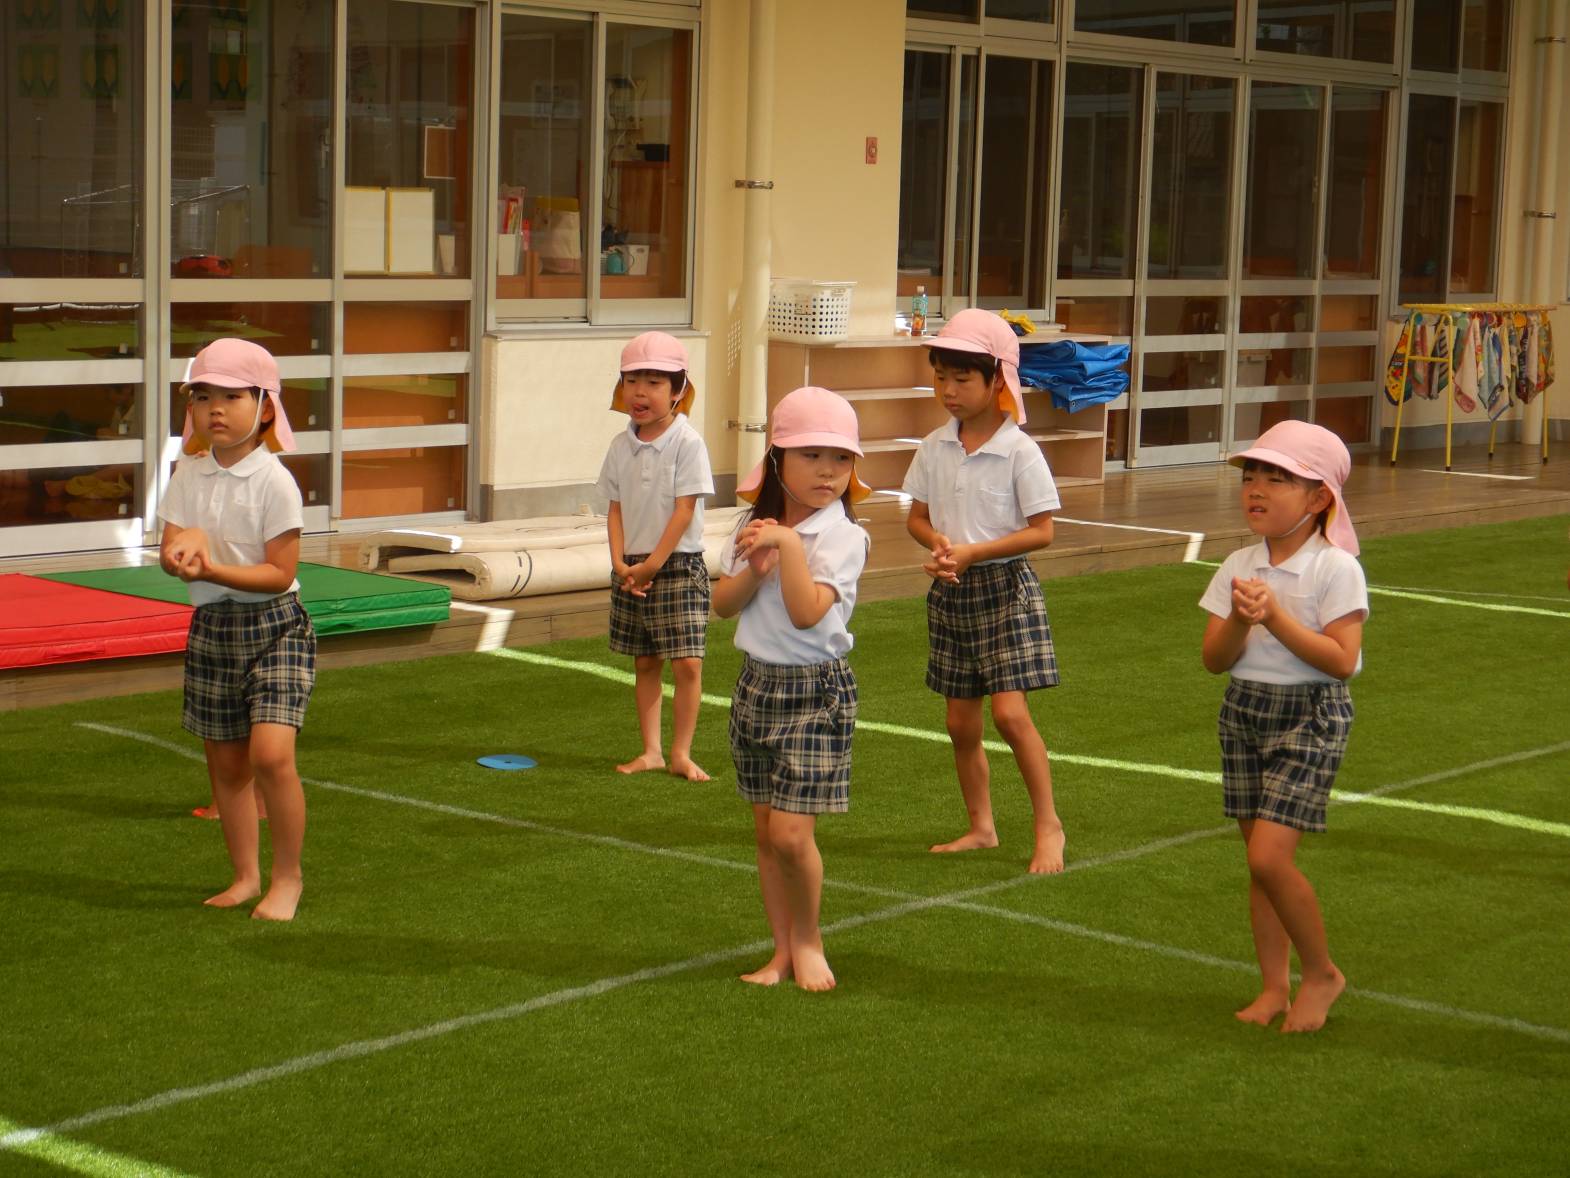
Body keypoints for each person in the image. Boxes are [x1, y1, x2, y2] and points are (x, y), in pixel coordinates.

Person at [1200, 420, 1368, 1033]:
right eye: (1251, 476)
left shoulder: (1336, 568)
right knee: (1258, 861)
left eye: (1277, 478)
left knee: (1270, 857)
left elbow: (1342, 661)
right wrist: (1243, 620)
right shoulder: (1238, 563)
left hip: (1310, 716)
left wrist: (1273, 618)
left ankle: (1321, 973)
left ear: (1320, 497)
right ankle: (1274, 986)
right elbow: (1214, 659)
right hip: (1244, 711)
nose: (1256, 489)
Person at [712, 387, 871, 991]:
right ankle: (780, 950)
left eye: (841, 458)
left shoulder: (843, 537)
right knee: (765, 832)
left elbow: (807, 614)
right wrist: (757, 568)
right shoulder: (753, 526)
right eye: (811, 455)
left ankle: (808, 940)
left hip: (815, 693)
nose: (828, 470)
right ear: (777, 459)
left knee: (789, 833)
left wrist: (785, 545)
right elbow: (723, 604)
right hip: (756, 686)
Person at [903, 309, 1066, 874]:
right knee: (959, 723)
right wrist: (940, 545)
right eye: (940, 377)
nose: (948, 390)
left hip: (1006, 590)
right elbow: (917, 519)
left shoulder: (1019, 450)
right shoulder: (933, 446)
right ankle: (982, 827)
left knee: (1010, 715)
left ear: (998, 379)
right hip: (951, 591)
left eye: (962, 378)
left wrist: (974, 552)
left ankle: (1049, 826)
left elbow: (1042, 531)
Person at [158, 338, 313, 922]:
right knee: (226, 767)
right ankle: (246, 877)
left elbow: (280, 574)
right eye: (202, 397)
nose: (214, 408)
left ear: (266, 406)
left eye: (231, 396)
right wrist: (182, 555)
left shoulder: (275, 481)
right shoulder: (188, 474)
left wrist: (208, 566)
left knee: (270, 756)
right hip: (212, 629)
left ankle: (287, 878)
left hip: (276, 628)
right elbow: (169, 553)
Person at [596, 332, 715, 781]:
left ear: (679, 389)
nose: (640, 393)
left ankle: (681, 752)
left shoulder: (688, 442)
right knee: (645, 660)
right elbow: (615, 509)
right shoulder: (619, 445)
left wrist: (651, 565)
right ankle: (652, 752)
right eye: (632, 381)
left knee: (687, 661)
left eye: (654, 382)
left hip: (678, 565)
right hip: (632, 567)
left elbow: (684, 511)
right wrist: (620, 563)